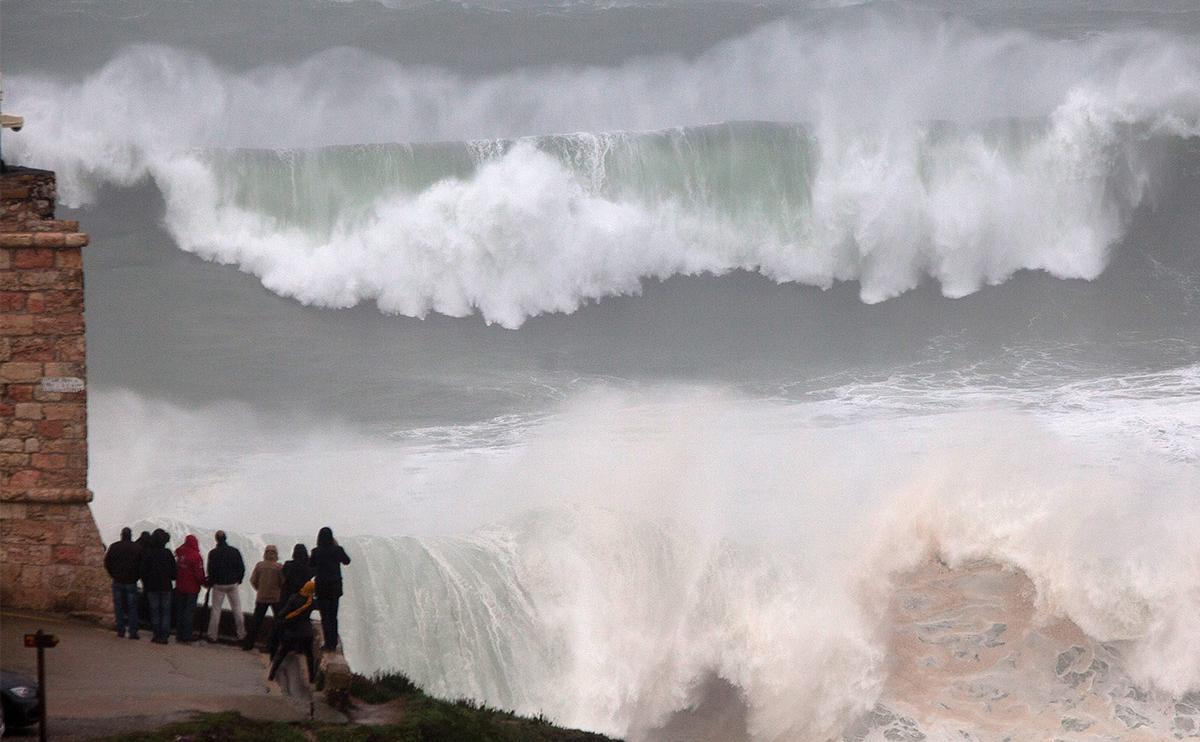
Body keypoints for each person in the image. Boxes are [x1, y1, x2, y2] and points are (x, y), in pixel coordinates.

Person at [308, 527, 351, 651]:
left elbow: (310, 565)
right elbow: (347, 561)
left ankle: (328, 644)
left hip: (322, 588)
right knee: (333, 616)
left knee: (325, 617)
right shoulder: (337, 550)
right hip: (335, 588)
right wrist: (336, 546)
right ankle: (333, 643)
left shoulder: (316, 551)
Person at [269, 579, 316, 683]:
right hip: (307, 632)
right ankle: (312, 678)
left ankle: (271, 675)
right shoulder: (311, 601)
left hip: (292, 631)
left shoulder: (294, 598)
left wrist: (281, 618)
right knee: (310, 656)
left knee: (282, 653)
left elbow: (284, 612)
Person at [270, 544, 312, 657]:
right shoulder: (308, 567)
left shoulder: (288, 565)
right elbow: (312, 575)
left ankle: (274, 648)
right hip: (301, 599)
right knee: (299, 623)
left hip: (286, 598)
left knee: (281, 622)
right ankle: (298, 648)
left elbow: (284, 574)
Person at [205, 530, 246, 642]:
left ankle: (212, 635)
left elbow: (210, 570)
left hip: (218, 585)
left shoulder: (213, 553)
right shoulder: (234, 551)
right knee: (237, 609)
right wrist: (239, 580)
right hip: (233, 584)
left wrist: (212, 582)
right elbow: (241, 567)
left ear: (216, 539)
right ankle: (242, 634)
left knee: (216, 610)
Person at [103, 527, 142, 640]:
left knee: (119, 607)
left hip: (118, 580)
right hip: (131, 581)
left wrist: (113, 574)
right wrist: (136, 577)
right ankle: (133, 632)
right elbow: (141, 565)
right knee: (132, 607)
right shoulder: (137, 548)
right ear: (130, 535)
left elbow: (107, 562)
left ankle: (120, 630)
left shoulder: (114, 547)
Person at [243, 545, 283, 651]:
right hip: (275, 598)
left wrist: (259, 589)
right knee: (278, 622)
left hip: (261, 597)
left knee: (256, 622)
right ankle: (272, 645)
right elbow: (283, 583)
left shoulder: (260, 566)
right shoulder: (279, 567)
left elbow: (253, 580)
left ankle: (248, 644)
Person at [140, 529, 176, 644]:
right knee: (165, 611)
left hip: (152, 586)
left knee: (154, 611)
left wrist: (146, 583)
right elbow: (174, 573)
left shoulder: (149, 553)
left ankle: (156, 634)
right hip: (166, 586)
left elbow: (143, 571)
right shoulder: (168, 553)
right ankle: (164, 636)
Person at [174, 535, 207, 643]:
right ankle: (187, 635)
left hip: (180, 587)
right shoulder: (196, 556)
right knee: (189, 613)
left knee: (180, 611)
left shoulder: (180, 554)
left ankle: (179, 634)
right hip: (191, 589)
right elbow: (199, 574)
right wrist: (204, 583)